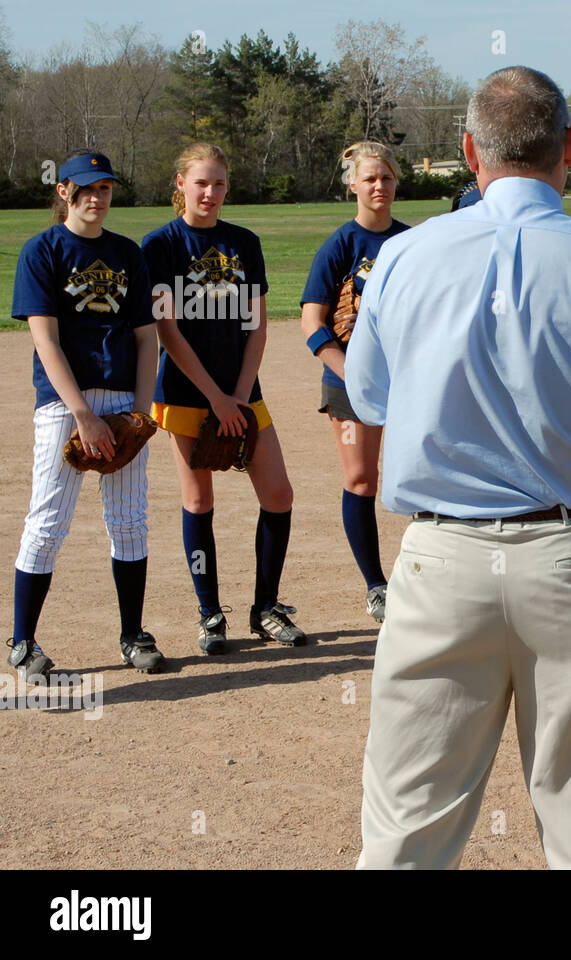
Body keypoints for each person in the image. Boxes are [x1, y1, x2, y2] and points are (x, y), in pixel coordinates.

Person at [346, 66, 571, 869]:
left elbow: (369, 398)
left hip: (441, 560)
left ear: (470, 151)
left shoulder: (402, 259)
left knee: (407, 827)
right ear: (569, 149)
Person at [144, 143, 306, 654]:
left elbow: (256, 327)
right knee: (199, 500)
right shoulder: (161, 245)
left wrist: (237, 395)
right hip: (188, 396)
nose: (210, 192)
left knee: (278, 495)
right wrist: (215, 398)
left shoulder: (244, 243)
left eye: (218, 183)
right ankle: (210, 614)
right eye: (200, 183)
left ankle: (266, 609)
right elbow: (167, 330)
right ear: (180, 185)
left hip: (242, 392)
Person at [7, 150, 164, 678]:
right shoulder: (43, 251)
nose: (96, 198)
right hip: (63, 403)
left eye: (105, 189)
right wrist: (81, 415)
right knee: (48, 520)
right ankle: (23, 642)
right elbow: (45, 341)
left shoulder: (127, 254)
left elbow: (148, 339)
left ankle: (132, 635)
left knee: (129, 520)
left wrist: (141, 416)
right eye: (86, 188)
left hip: (122, 400)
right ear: (64, 192)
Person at [300, 141, 409, 622]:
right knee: (362, 479)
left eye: (385, 177)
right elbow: (312, 321)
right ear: (352, 184)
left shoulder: (411, 241)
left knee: (421, 475)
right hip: (348, 381)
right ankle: (376, 585)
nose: (379, 186)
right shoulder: (341, 245)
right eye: (369, 178)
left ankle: (426, 576)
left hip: (407, 379)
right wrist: (352, 373)